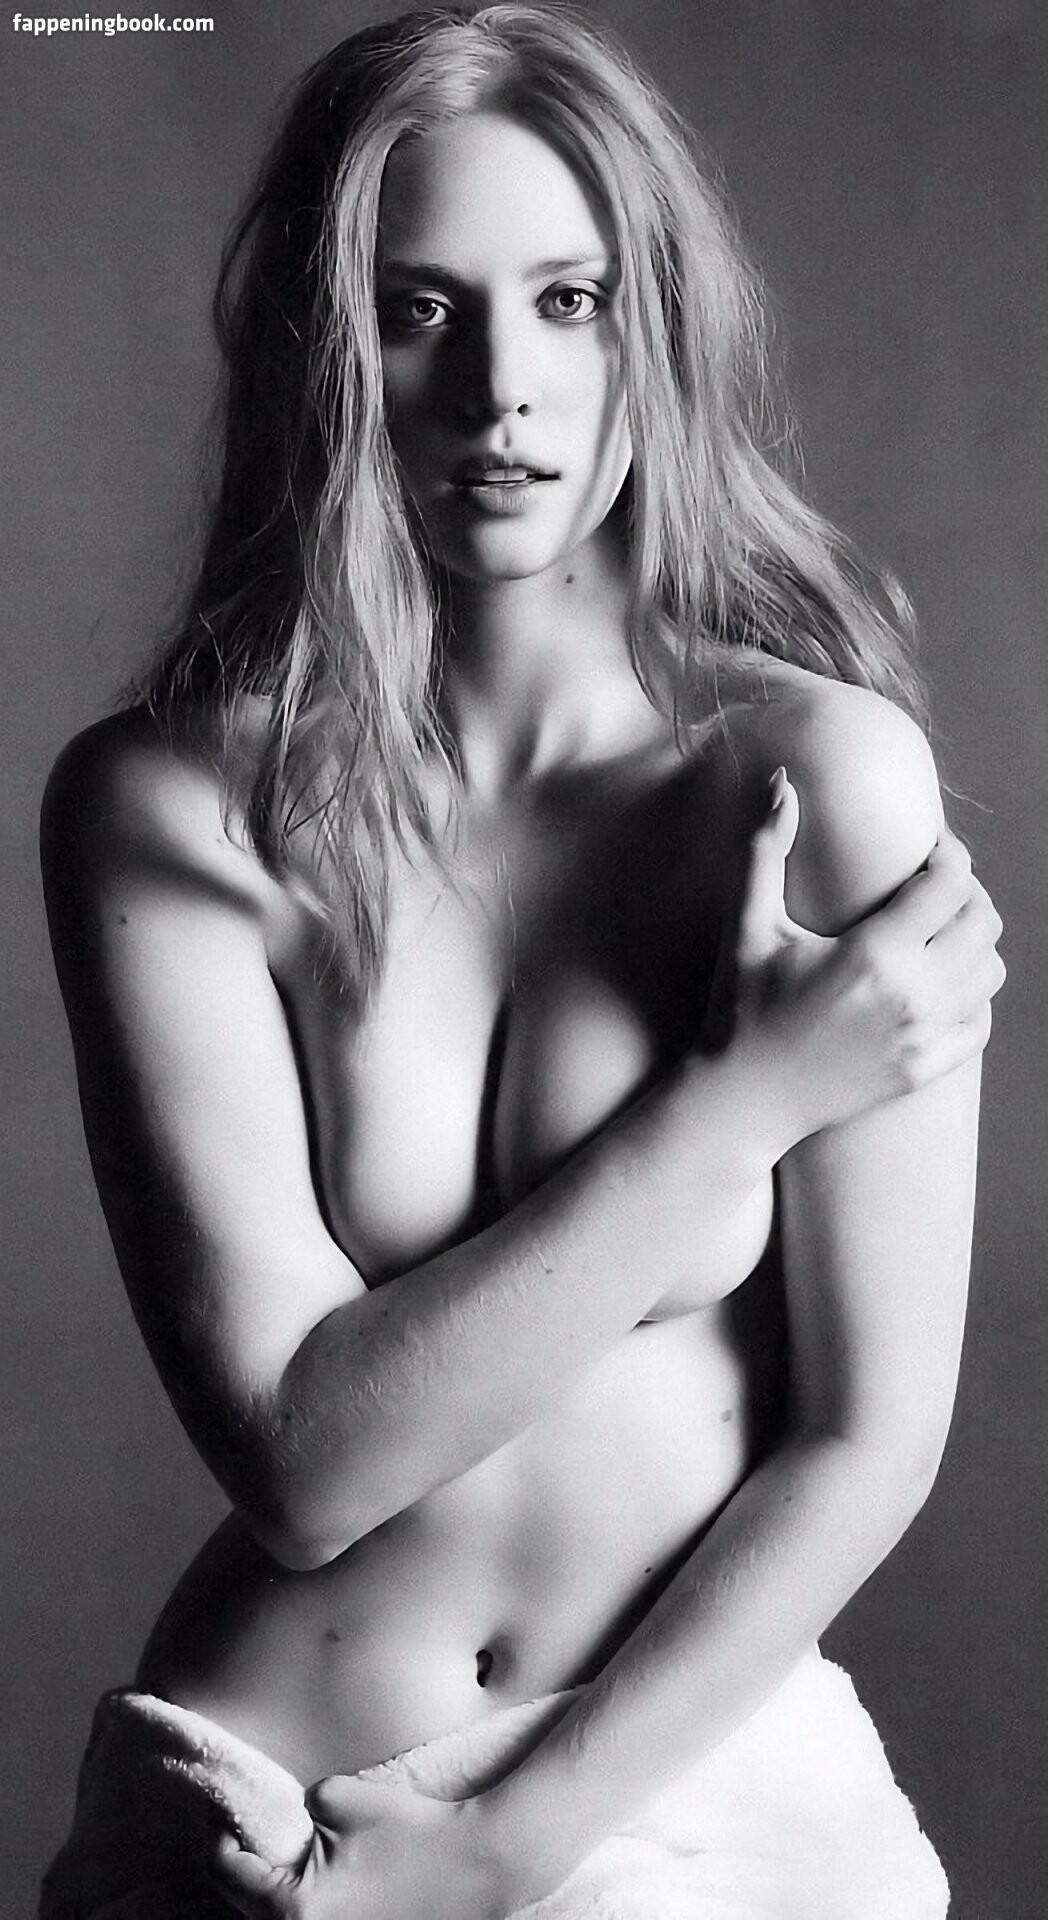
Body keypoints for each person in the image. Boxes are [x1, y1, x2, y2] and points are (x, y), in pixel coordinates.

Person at [39, 6, 1005, 1917]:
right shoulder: (168, 808)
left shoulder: (815, 780)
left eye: (570, 301)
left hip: (688, 1806)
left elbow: (869, 1439)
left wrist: (504, 1846)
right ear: (324, 350)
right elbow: (304, 1465)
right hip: (255, 1821)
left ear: (659, 331)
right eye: (419, 310)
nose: (502, 390)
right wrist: (739, 1104)